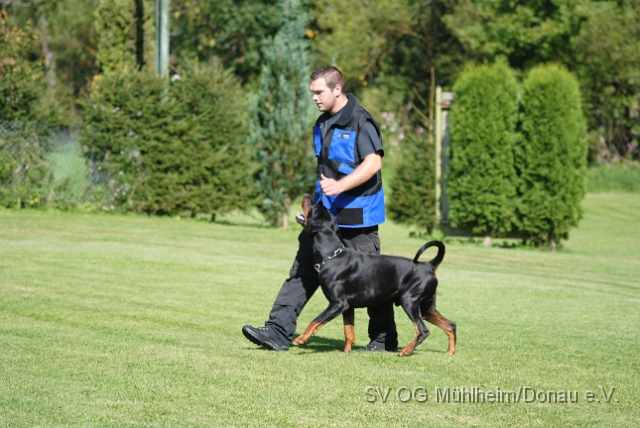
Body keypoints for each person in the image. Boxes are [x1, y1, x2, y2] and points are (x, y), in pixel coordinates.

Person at [242, 65, 397, 352]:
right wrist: (314, 210)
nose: (314, 98)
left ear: (337, 89)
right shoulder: (323, 122)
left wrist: (340, 186)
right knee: (303, 269)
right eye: (312, 92)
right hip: (324, 218)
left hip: (357, 219)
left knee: (373, 280)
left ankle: (383, 340)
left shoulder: (360, 121)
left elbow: (373, 163)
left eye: (319, 92)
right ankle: (277, 331)